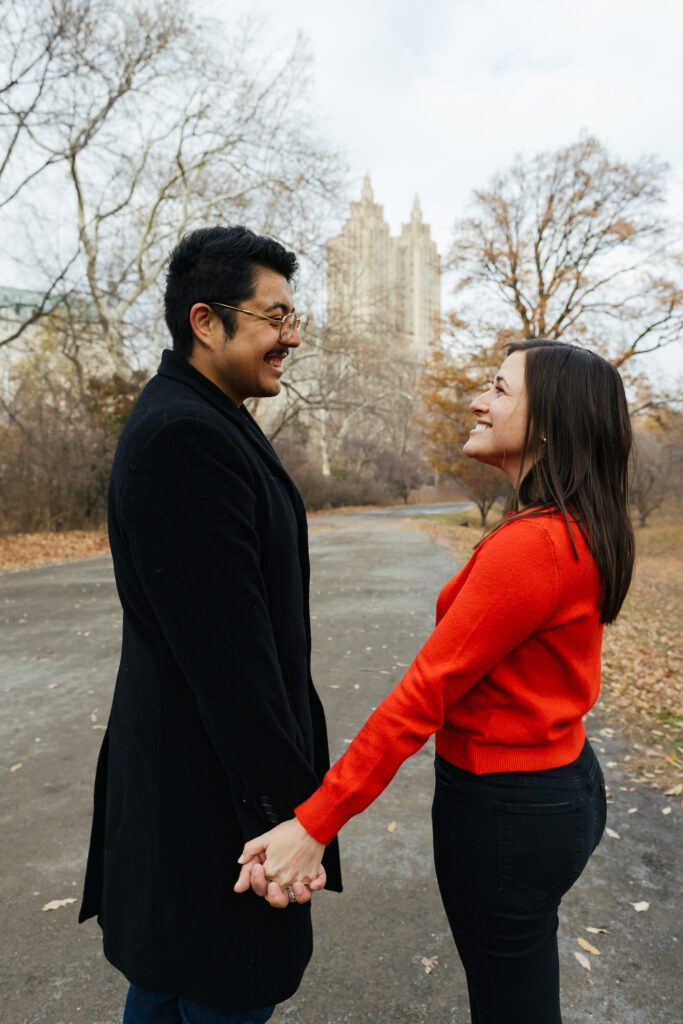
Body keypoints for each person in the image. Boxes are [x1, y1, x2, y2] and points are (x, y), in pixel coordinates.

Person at [237, 339, 635, 1024]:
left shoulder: (533, 545)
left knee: (510, 1003)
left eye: (500, 390)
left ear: (548, 423)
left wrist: (314, 823)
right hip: (555, 788)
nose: (478, 400)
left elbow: (420, 697)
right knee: (520, 984)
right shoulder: (572, 526)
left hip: (508, 810)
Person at [79, 225, 342, 1024]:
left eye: (294, 317)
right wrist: (290, 821)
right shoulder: (183, 438)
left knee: (168, 984)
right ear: (205, 322)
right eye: (273, 317)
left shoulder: (207, 418)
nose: (290, 336)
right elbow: (231, 664)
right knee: (212, 986)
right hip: (211, 812)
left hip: (195, 798)